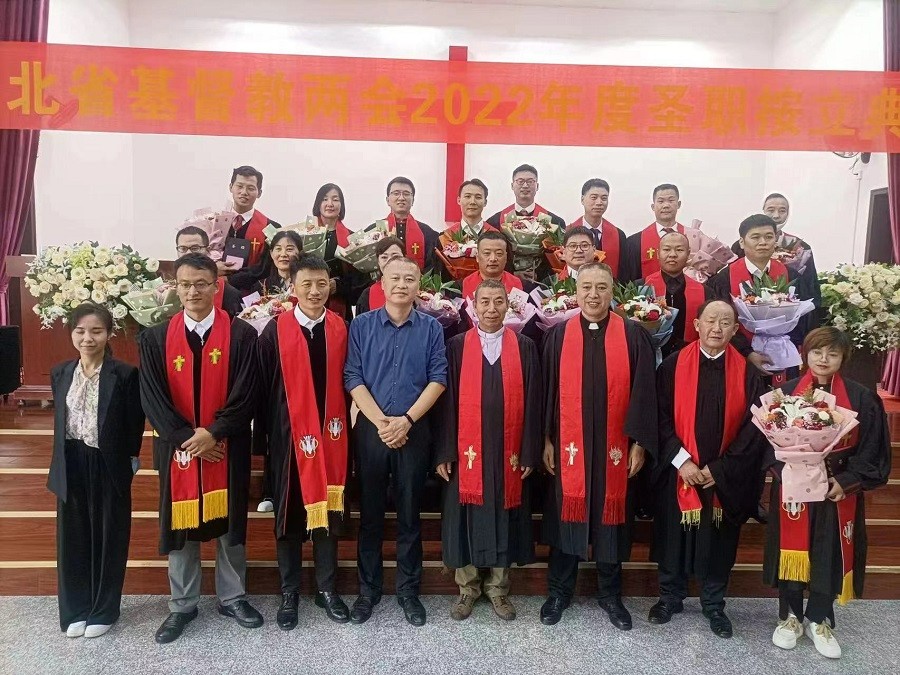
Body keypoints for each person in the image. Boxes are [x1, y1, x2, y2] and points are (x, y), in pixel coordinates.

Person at [139, 254, 262, 644]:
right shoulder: (154, 337)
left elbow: (247, 394)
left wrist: (214, 433)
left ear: (216, 286)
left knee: (229, 526)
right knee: (181, 524)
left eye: (202, 284)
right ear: (175, 287)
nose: (193, 291)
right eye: (185, 284)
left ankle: (232, 596)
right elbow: (153, 399)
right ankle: (182, 604)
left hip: (227, 447)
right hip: (178, 450)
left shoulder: (242, 335)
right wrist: (189, 441)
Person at [540, 263, 658, 628]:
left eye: (601, 287)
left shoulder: (634, 335)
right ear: (575, 292)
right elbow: (545, 391)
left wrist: (639, 443)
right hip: (569, 445)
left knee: (612, 520)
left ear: (613, 292)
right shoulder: (558, 336)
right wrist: (545, 438)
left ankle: (611, 595)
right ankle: (559, 591)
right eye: (586, 287)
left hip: (615, 447)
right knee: (566, 517)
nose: (593, 295)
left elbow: (643, 393)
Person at [763, 327, 891, 659]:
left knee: (829, 552)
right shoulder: (784, 394)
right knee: (793, 553)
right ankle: (789, 617)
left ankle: (820, 618)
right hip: (793, 490)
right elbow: (764, 447)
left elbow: (872, 450)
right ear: (805, 354)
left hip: (836, 492)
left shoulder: (862, 398)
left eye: (832, 354)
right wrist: (787, 473)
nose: (824, 359)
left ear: (843, 358)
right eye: (818, 352)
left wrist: (845, 482)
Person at [650, 300, 767, 639]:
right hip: (679, 474)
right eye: (711, 320)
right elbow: (658, 418)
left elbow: (754, 429)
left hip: (724, 477)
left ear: (735, 330)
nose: (717, 327)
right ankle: (669, 598)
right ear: (697, 325)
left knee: (719, 542)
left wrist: (721, 468)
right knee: (673, 535)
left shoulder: (748, 374)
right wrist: (681, 460)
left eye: (725, 322)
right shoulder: (671, 367)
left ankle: (714, 604)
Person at [344, 256, 448, 627]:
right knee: (370, 516)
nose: (402, 284)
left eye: (409, 278)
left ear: (419, 286)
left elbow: (438, 378)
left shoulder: (433, 329)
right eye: (395, 278)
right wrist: (382, 423)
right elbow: (353, 376)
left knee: (409, 516)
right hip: (372, 431)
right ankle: (367, 591)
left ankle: (408, 591)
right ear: (382, 284)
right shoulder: (362, 325)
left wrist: (405, 421)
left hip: (414, 431)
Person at [435, 280, 542, 622]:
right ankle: (467, 589)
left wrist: (529, 452)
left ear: (508, 307)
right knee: (464, 513)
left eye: (499, 302)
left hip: (507, 449)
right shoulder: (455, 346)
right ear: (473, 306)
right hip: (467, 451)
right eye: (485, 302)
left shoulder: (524, 346)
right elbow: (444, 403)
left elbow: (535, 405)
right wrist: (445, 450)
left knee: (504, 514)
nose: (492, 308)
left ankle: (498, 588)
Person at [256, 254, 351, 629]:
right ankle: (289, 591)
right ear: (292, 287)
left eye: (321, 284)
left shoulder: (342, 328)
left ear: (330, 286)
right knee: (290, 518)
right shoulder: (273, 330)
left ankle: (327, 589)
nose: (314, 291)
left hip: (332, 438)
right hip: (288, 439)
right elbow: (263, 389)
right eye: (306, 284)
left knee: (328, 514)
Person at [48, 303, 144, 639]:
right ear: (72, 333)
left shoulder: (125, 374)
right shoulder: (60, 373)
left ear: (108, 334)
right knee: (72, 538)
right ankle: (75, 609)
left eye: (96, 331)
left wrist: (129, 461)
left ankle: (104, 610)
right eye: (80, 331)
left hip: (108, 463)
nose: (87, 338)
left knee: (109, 537)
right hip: (70, 463)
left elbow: (134, 425)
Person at [708, 214, 812, 377]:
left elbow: (805, 321)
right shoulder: (723, 280)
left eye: (768, 237)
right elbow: (720, 322)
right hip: (738, 357)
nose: (763, 242)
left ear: (776, 240)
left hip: (784, 357)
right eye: (755, 237)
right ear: (742, 242)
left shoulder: (792, 276)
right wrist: (747, 352)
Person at [730, 193, 821, 311]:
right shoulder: (740, 246)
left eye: (782, 211)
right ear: (763, 210)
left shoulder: (801, 247)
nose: (776, 215)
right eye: (771, 210)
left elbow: (809, 285)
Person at [640, 231, 713, 359]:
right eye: (667, 249)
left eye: (679, 250)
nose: (672, 255)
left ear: (688, 254)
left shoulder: (705, 292)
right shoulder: (641, 287)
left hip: (690, 357)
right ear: (658, 253)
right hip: (648, 357)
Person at [364, 177, 439, 272]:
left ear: (413, 200)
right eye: (396, 193)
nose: (401, 198)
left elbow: (432, 267)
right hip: (382, 285)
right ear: (387, 200)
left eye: (406, 194)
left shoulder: (427, 233)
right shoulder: (373, 230)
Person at [313, 182, 364, 319]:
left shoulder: (352, 239)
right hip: (309, 298)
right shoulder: (305, 234)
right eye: (325, 199)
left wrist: (339, 286)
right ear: (318, 204)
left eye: (335, 199)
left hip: (339, 301)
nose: (330, 203)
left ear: (341, 206)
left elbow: (360, 278)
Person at [623, 184, 685, 282]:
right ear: (653, 206)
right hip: (648, 296)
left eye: (671, 200)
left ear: (679, 204)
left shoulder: (691, 237)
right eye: (661, 201)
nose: (666, 205)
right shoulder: (634, 243)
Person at [175, 226, 243, 317]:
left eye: (195, 248)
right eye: (183, 248)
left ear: (208, 250)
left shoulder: (229, 294)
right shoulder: (170, 290)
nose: (188, 253)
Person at [438, 179, 499, 280]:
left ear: (485, 202)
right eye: (467, 196)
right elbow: (440, 274)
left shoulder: (496, 237)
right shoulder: (445, 237)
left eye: (478, 197)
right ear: (459, 200)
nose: (472, 202)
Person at [224, 165, 280, 273]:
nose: (244, 192)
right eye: (239, 186)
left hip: (253, 288)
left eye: (250, 188)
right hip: (217, 286)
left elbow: (266, 268)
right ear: (231, 187)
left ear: (259, 193)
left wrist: (230, 280)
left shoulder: (271, 228)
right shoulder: (214, 224)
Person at [568, 179, 626, 280]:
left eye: (604, 198)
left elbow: (624, 272)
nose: (599, 202)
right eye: (594, 197)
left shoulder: (618, 235)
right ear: (582, 199)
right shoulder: (568, 233)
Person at [485, 164, 566, 228]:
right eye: (520, 181)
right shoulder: (495, 222)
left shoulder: (555, 222)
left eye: (530, 181)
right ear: (512, 186)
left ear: (537, 186)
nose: (525, 185)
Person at [234, 230, 304, 298]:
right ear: (271, 253)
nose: (283, 254)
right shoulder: (261, 286)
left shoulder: (305, 283)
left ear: (300, 252)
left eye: (289, 249)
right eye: (278, 249)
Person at [355, 236, 404, 314]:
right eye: (384, 257)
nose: (389, 261)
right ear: (378, 262)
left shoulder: (416, 292)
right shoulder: (367, 295)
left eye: (395, 256)